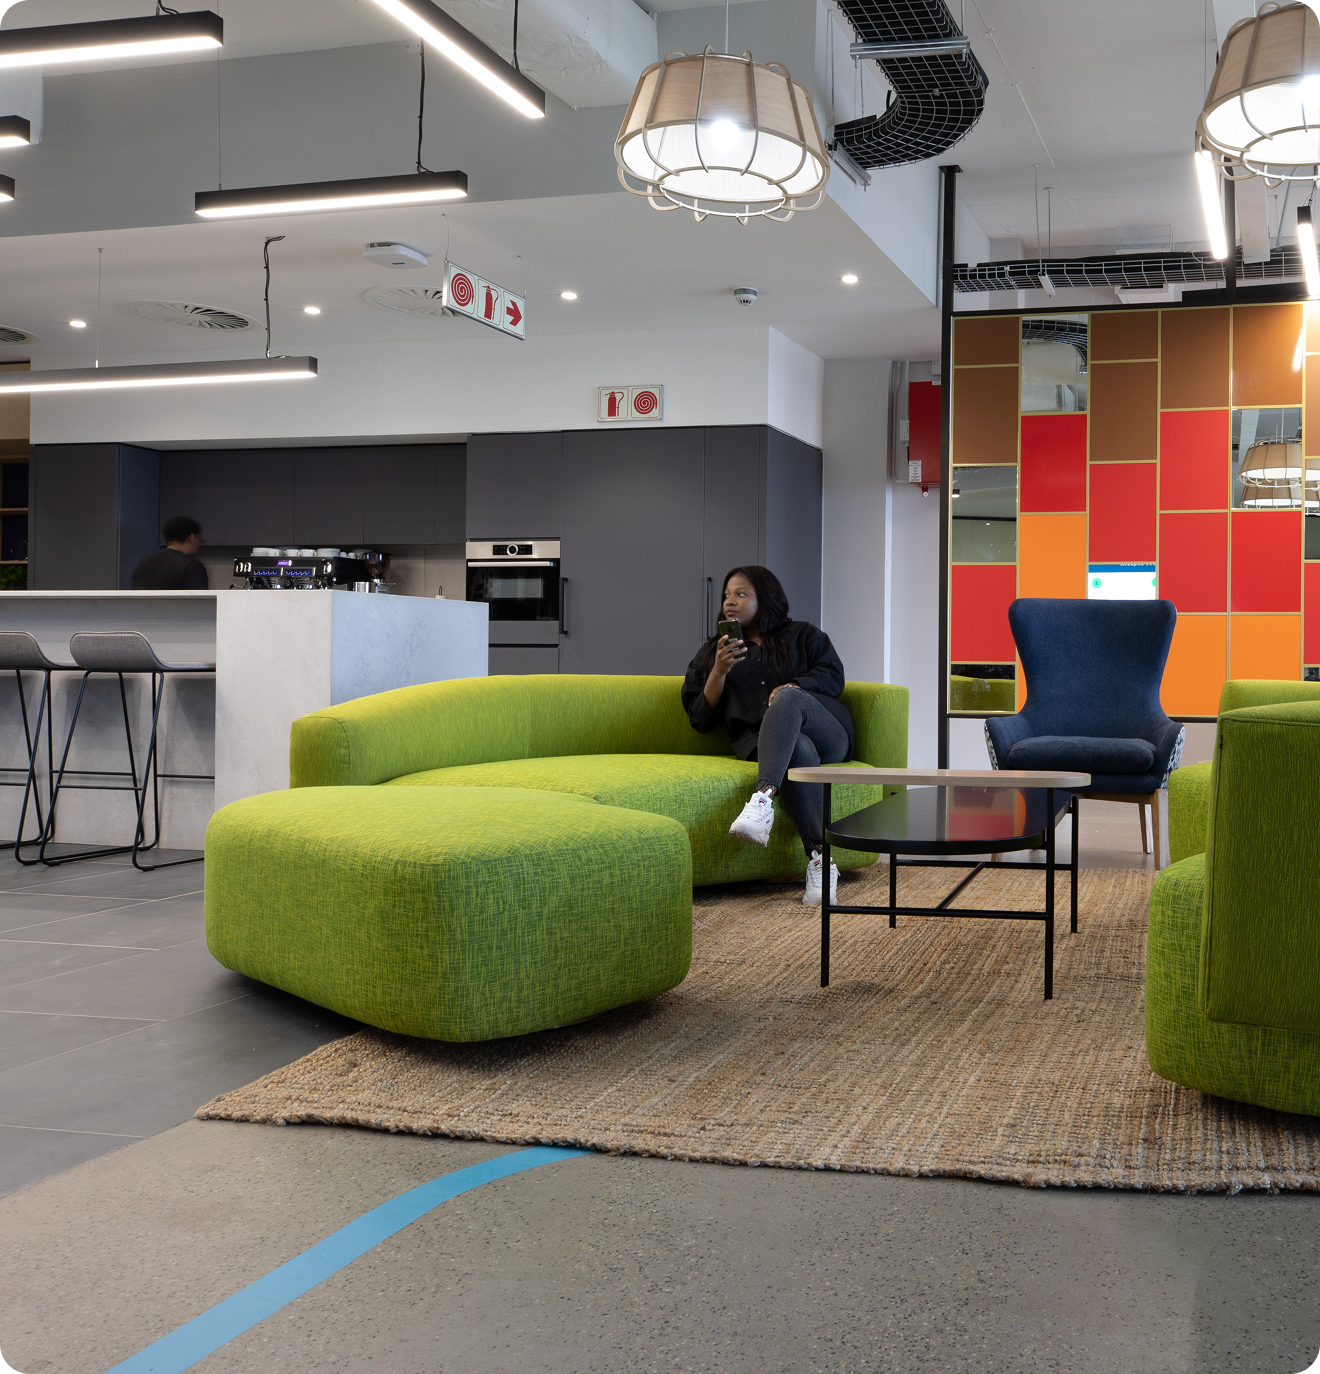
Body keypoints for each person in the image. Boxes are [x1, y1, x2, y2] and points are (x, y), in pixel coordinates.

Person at [682, 565, 854, 907]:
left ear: (767, 598)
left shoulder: (803, 635)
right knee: (797, 748)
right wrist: (719, 671)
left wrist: (794, 687)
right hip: (770, 745)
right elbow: (700, 717)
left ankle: (762, 799)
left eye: (742, 594)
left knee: (789, 699)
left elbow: (834, 677)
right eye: (727, 594)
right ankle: (820, 860)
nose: (730, 601)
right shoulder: (716, 652)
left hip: (828, 734)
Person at [131, 515, 209, 590]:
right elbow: (198, 602)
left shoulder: (144, 562)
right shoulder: (192, 566)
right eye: (199, 538)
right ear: (191, 537)